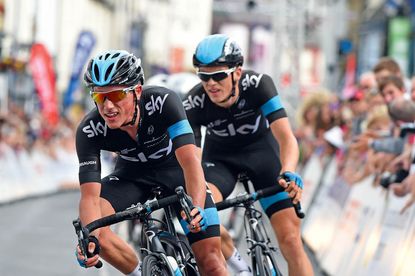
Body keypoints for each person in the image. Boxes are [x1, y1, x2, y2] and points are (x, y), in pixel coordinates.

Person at [74, 50, 228, 276]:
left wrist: (196, 207)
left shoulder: (163, 101)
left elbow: (190, 163)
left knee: (212, 263)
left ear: (137, 91)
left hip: (176, 171)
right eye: (99, 97)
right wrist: (89, 241)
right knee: (93, 227)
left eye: (116, 96)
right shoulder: (89, 129)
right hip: (131, 177)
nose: (107, 106)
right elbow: (89, 197)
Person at [183, 34, 313, 276]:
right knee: (202, 217)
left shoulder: (259, 84)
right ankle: (238, 264)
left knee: (291, 240)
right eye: (204, 76)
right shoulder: (193, 102)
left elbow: (286, 137)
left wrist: (289, 170)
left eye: (219, 75)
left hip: (262, 155)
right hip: (220, 161)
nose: (211, 83)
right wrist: (198, 205)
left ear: (238, 72)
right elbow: (192, 160)